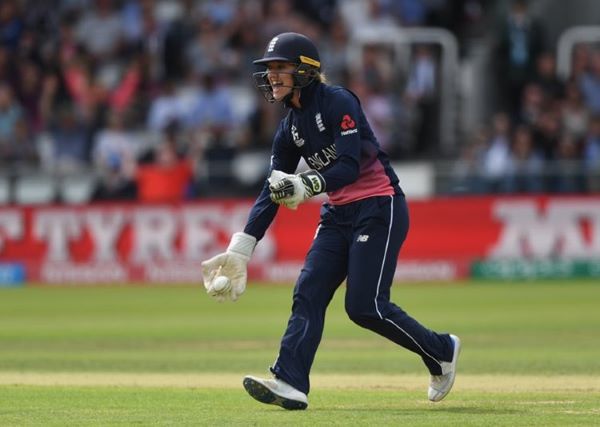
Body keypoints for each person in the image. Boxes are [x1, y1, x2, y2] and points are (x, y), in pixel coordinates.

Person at [201, 32, 461, 410]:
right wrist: (242, 247)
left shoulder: (338, 101)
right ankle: (290, 382)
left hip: (379, 206)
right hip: (338, 215)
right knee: (308, 290)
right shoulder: (289, 128)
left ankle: (441, 350)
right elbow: (272, 190)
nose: (272, 76)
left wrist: (307, 183)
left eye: (280, 68)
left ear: (305, 70)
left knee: (365, 307)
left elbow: (349, 164)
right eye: (269, 69)